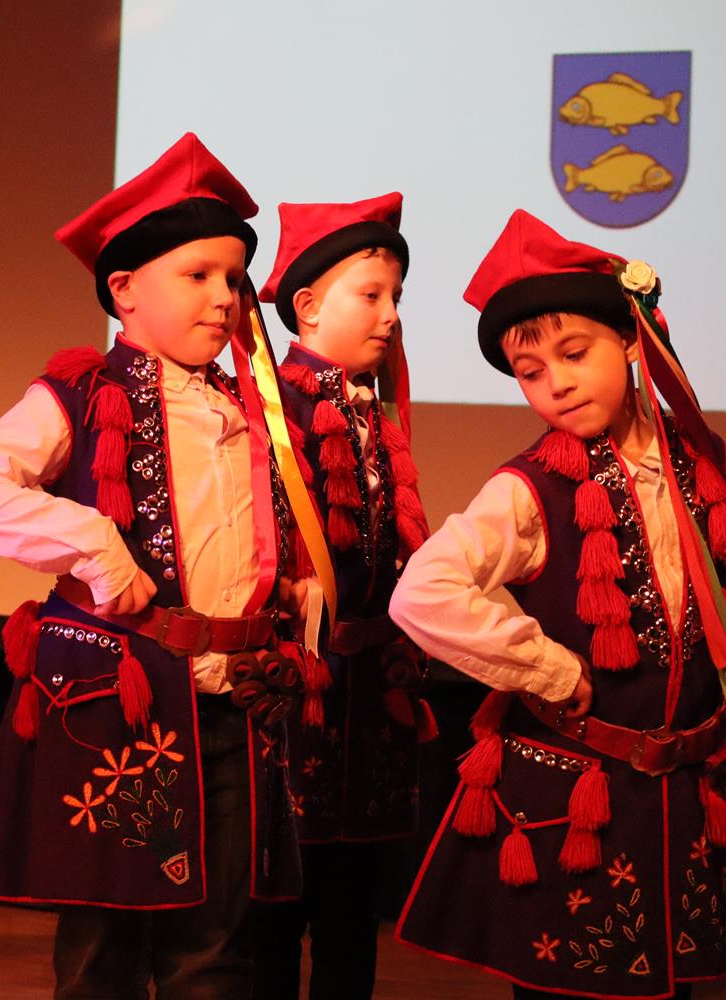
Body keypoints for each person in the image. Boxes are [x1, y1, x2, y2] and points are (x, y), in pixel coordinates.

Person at [0, 132, 309, 998]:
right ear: (125, 289)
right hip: (121, 703)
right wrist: (94, 543)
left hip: (232, 699)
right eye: (198, 274)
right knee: (103, 949)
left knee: (219, 953)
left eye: (233, 277)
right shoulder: (81, 394)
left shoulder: (253, 411)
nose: (225, 297)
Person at [391, 209, 726, 999]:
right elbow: (424, 592)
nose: (557, 383)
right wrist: (547, 667)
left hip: (687, 799)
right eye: (531, 371)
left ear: (632, 341)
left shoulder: (700, 468)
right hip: (583, 802)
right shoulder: (529, 488)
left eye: (574, 354)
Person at [250, 192, 434, 1000]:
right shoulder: (268, 409)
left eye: (396, 296)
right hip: (298, 697)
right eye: (372, 294)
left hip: (366, 699)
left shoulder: (375, 414)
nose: (390, 315)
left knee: (351, 917)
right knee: (273, 912)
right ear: (308, 306)